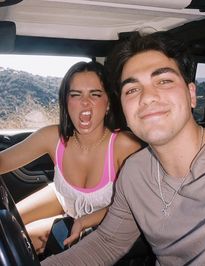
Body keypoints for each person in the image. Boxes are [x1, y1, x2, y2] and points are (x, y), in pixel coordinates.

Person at [41, 31, 205, 266]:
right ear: (123, 108)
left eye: (163, 81)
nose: (148, 97)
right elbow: (108, 242)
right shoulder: (134, 171)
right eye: (132, 90)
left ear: (191, 94)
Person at [0, 61, 141, 255]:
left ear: (108, 103)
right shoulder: (52, 137)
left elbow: (136, 206)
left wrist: (83, 222)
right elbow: (2, 162)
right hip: (65, 200)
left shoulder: (124, 146)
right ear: (66, 102)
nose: (85, 102)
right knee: (6, 230)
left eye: (95, 94)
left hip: (101, 221)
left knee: (17, 248)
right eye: (75, 95)